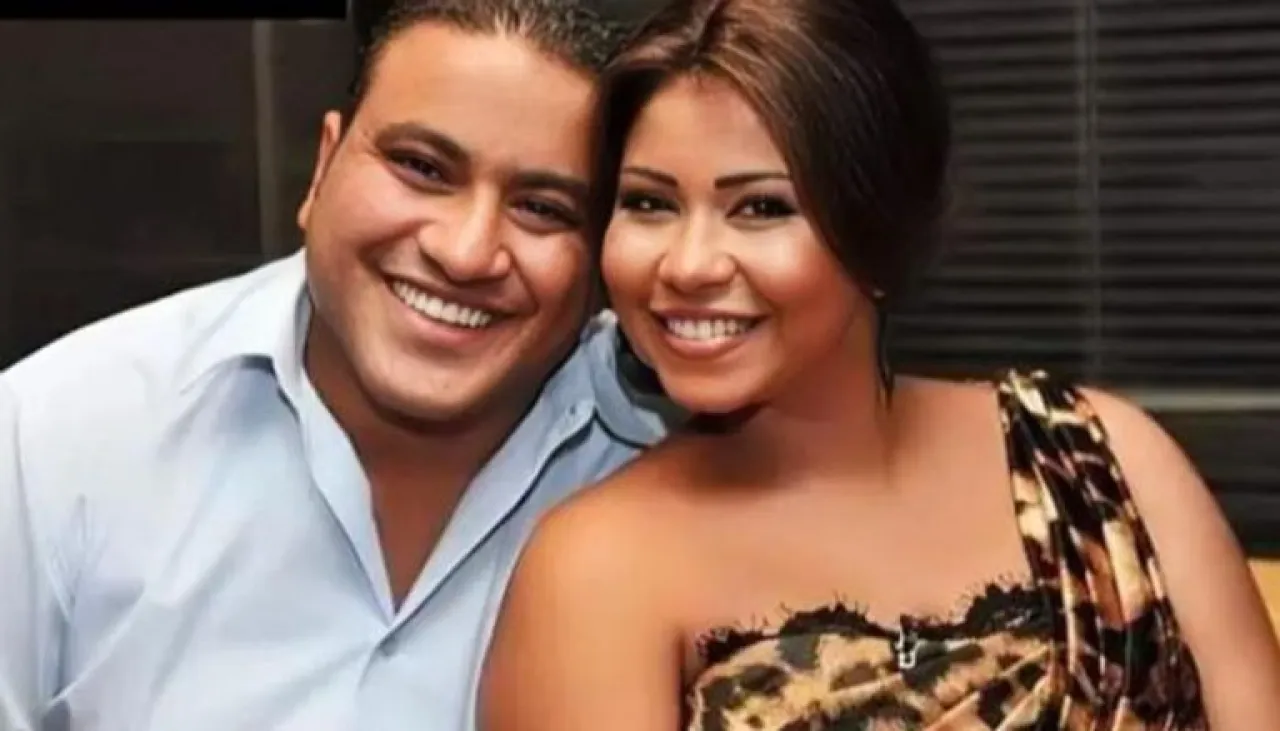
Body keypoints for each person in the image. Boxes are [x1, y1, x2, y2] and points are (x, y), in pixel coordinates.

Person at [479, 0, 1280, 727]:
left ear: (881, 228)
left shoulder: (1096, 460)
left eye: (761, 206)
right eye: (649, 203)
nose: (687, 265)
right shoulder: (597, 567)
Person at [0, 2, 669, 729]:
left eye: (543, 208)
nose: (466, 252)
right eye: (421, 168)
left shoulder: (676, 451)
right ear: (323, 166)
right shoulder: (53, 435)